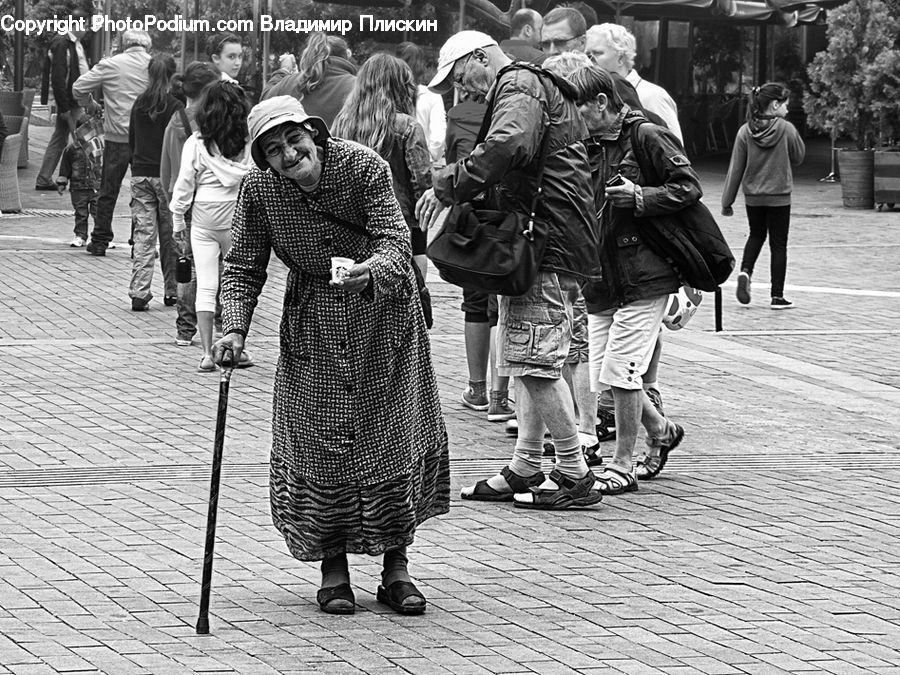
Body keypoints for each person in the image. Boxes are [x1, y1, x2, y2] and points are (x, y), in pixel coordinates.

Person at [211, 95, 449, 615]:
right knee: (320, 442)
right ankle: (333, 569)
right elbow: (244, 266)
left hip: (381, 320)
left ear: (312, 134)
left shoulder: (363, 166)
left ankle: (396, 569)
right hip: (312, 323)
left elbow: (394, 239)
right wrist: (233, 328)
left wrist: (373, 270)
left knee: (389, 438)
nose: (288, 153)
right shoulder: (259, 191)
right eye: (273, 149)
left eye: (293, 139)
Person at [417, 31, 603, 509]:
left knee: (533, 359)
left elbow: (507, 146)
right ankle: (525, 465)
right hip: (547, 240)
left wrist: (447, 183)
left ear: (480, 57)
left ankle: (573, 472)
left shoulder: (518, 84)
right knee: (530, 357)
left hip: (545, 243)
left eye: (462, 77)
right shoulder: (523, 84)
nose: (465, 90)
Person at [563, 62, 694, 494]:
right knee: (605, 375)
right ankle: (660, 430)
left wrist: (641, 196)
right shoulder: (588, 142)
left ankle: (623, 462)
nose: (573, 119)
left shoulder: (646, 134)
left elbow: (687, 186)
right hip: (602, 276)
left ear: (601, 103)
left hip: (645, 273)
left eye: (577, 109)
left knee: (622, 371)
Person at [444, 53, 515, 423]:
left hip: (471, 214)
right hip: (506, 215)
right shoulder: (511, 109)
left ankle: (476, 388)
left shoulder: (457, 116)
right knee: (503, 304)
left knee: (476, 302)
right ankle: (500, 397)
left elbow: (451, 157)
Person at [169, 81, 254, 372]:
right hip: (237, 216)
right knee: (236, 285)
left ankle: (206, 354)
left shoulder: (197, 142)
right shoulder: (249, 143)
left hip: (204, 216)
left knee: (206, 285)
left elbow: (184, 185)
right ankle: (233, 348)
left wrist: (178, 219)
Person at [332, 54, 432, 281]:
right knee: (407, 291)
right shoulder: (406, 126)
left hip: (353, 223)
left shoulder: (342, 123)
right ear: (399, 87)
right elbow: (422, 183)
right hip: (402, 225)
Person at [722, 82, 806, 310]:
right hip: (780, 196)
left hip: (754, 197)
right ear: (776, 104)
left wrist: (727, 202)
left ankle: (745, 271)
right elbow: (799, 156)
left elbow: (735, 169)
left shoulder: (744, 132)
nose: (788, 110)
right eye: (786, 105)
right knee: (779, 244)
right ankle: (777, 296)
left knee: (756, 234)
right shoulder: (786, 128)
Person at [73, 29, 152, 257]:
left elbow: (78, 87)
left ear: (123, 45)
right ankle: (139, 242)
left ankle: (99, 241)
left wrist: (89, 104)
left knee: (108, 190)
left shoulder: (110, 64)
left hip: (116, 138)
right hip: (145, 139)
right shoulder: (154, 65)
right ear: (146, 45)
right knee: (143, 192)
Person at [160, 61, 221, 347]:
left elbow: (166, 170)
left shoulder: (175, 122)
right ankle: (221, 321)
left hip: (183, 201)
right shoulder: (217, 121)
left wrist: (174, 205)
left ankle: (184, 329)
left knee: (187, 266)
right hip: (213, 202)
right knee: (218, 265)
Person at [128, 55, 183, 312]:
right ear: (173, 76)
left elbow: (131, 139)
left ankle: (139, 291)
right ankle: (172, 290)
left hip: (139, 174)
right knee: (170, 234)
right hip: (165, 175)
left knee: (144, 234)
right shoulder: (175, 106)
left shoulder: (139, 103)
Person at [585, 24, 683, 144]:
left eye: (597, 53)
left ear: (620, 58)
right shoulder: (592, 94)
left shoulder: (652, 95)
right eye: (587, 55)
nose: (589, 61)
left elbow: (674, 150)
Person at [36, 8, 91, 191]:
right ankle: (81, 177)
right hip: (70, 102)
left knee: (62, 138)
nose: (87, 29)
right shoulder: (62, 43)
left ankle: (45, 178)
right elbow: (59, 77)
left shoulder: (73, 43)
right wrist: (64, 106)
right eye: (85, 25)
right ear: (77, 24)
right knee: (83, 139)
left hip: (74, 101)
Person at [262, 32, 357, 128]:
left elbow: (264, 103)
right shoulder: (358, 86)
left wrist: (284, 70)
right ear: (346, 56)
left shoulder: (291, 83)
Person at [396, 42, 447, 166]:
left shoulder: (387, 94)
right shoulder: (432, 95)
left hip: (394, 166)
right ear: (421, 65)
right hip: (422, 164)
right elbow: (438, 139)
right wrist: (426, 159)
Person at [55, 119, 102, 248]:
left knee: (98, 212)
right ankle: (80, 235)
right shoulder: (71, 149)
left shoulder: (99, 148)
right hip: (78, 187)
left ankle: (101, 237)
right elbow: (65, 168)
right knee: (81, 213)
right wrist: (62, 182)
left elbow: (106, 166)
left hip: (96, 186)